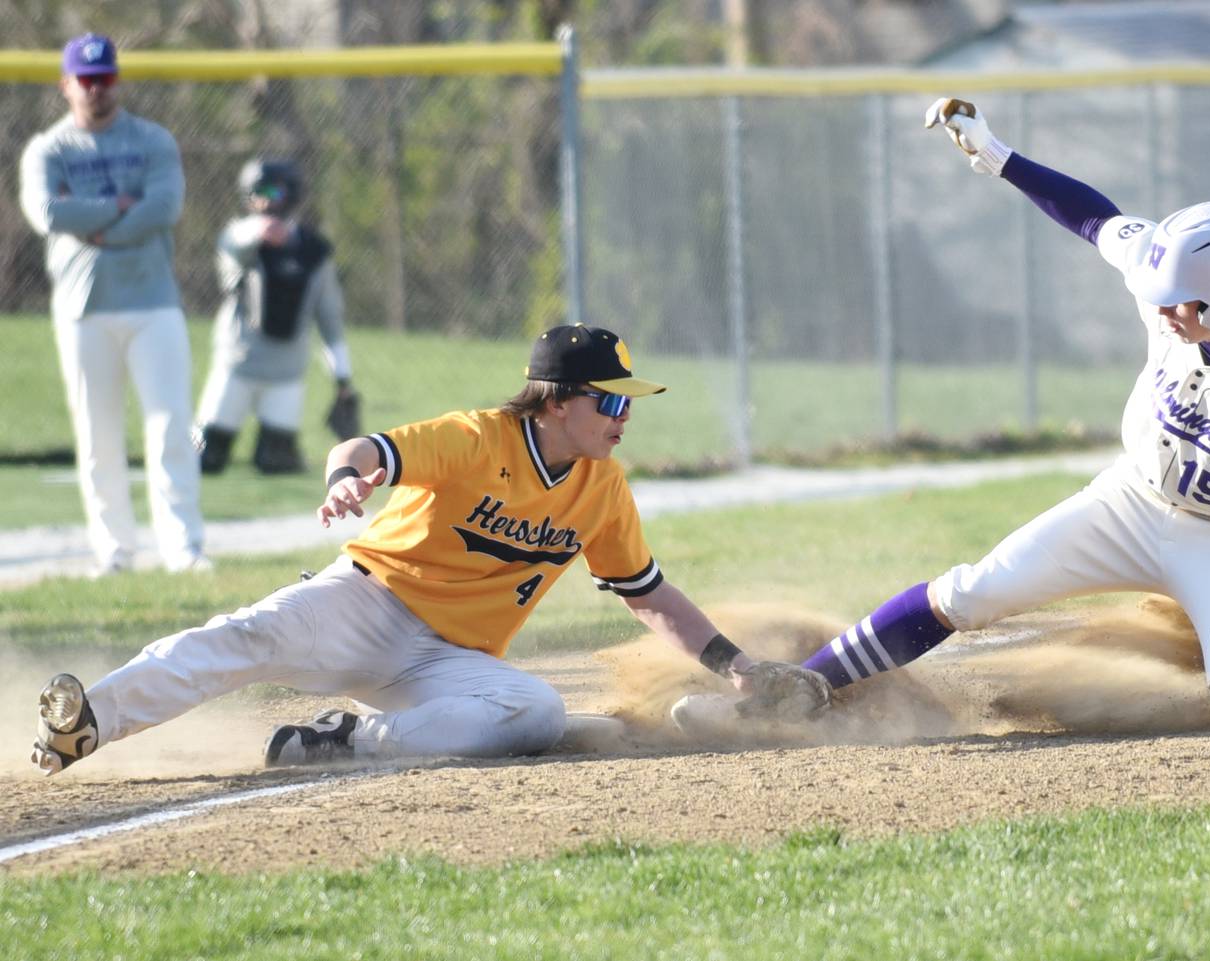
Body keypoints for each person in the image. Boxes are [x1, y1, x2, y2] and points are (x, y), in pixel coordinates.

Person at [675, 97, 1210, 734]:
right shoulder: (1170, 285)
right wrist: (995, 154)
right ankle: (800, 687)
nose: (1162, 306)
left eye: (1181, 299)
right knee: (971, 589)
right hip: (1129, 504)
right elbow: (1095, 218)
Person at [31, 324, 832, 774]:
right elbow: (365, 447)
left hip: (447, 659)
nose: (625, 414)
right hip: (367, 603)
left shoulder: (602, 486)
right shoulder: (476, 437)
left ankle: (343, 740)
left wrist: (739, 668)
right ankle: (87, 720)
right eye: (610, 398)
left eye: (629, 400)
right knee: (245, 635)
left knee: (535, 708)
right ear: (557, 402)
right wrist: (349, 481)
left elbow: (649, 595)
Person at [18, 33, 206, 575]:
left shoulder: (151, 140)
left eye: (104, 78)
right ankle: (115, 550)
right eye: (86, 79)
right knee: (98, 437)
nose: (96, 89)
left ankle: (184, 548)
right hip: (83, 307)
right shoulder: (49, 149)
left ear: (116, 81)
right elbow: (49, 213)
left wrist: (95, 221)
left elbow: (164, 207)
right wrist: (120, 207)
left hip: (153, 301)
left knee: (171, 427)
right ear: (66, 84)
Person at [194, 157, 359, 475]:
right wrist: (257, 232)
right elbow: (233, 244)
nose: (267, 200)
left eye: (276, 192)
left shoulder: (314, 251)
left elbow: (330, 318)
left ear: (293, 196)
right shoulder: (239, 239)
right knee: (204, 454)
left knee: (277, 460)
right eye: (259, 192)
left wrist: (342, 380)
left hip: (286, 371)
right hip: (238, 363)